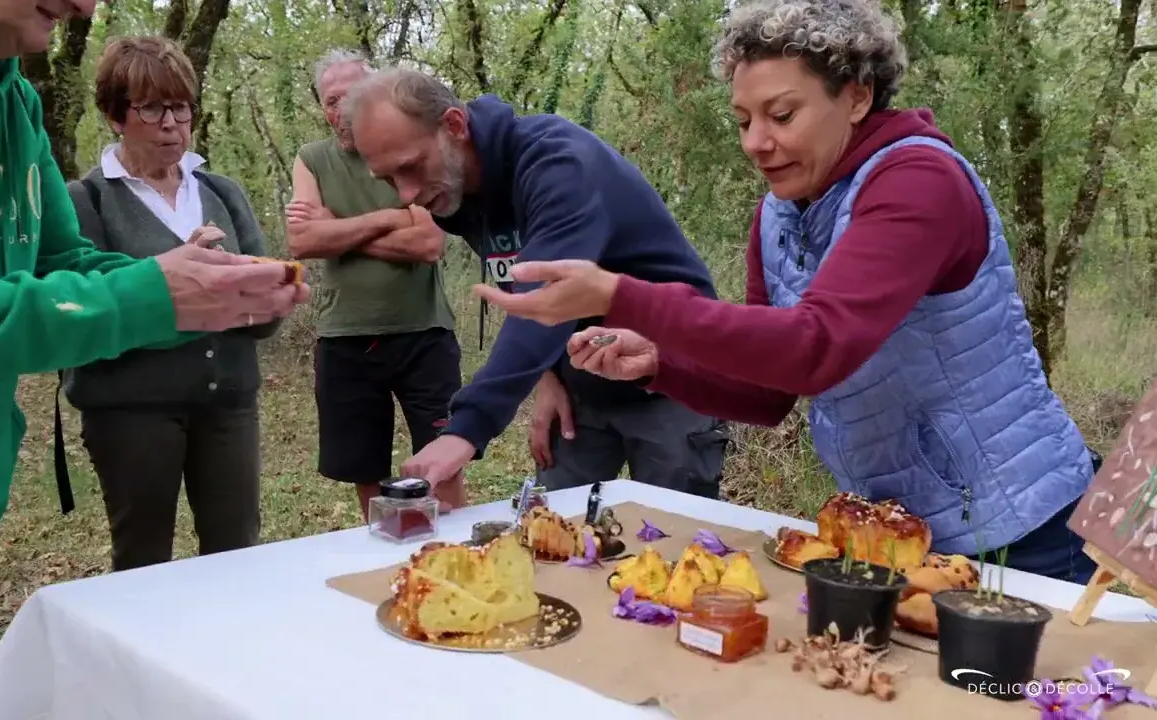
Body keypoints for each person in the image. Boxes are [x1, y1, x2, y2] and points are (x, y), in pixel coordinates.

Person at [475, 0, 1098, 584]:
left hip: (1023, 528)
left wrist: (622, 296)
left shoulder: (919, 181)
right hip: (893, 531)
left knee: (1020, 696)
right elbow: (773, 392)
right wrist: (661, 365)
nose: (755, 143)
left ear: (857, 96)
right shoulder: (779, 215)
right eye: (743, 120)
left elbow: (816, 346)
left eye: (781, 115)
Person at [0, 2, 309, 717]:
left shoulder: (11, 94)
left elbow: (61, 263)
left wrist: (207, 294)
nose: (85, 7)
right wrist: (153, 297)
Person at [343, 69, 732, 502]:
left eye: (411, 167)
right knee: (553, 542)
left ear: (454, 126)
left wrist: (466, 428)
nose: (407, 194)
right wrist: (547, 376)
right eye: (389, 180)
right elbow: (518, 283)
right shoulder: (461, 193)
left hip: (670, 378)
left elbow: (549, 296)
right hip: (583, 387)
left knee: (673, 542)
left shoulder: (559, 164)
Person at [62, 36, 278, 571]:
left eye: (180, 106)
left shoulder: (222, 192)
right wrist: (177, 279)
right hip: (131, 411)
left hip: (229, 404)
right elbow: (86, 319)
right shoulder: (86, 201)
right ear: (115, 116)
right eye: (151, 107)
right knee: (143, 563)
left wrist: (264, 291)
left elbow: (264, 315)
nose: (170, 123)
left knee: (235, 558)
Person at [285, 50, 462, 520]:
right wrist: (390, 218)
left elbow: (428, 244)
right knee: (367, 473)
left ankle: (457, 570)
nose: (342, 110)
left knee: (444, 466)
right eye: (331, 99)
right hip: (346, 337)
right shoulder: (312, 159)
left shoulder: (406, 148)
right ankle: (382, 563)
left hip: (425, 332)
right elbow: (302, 239)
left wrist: (338, 230)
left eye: (353, 95)